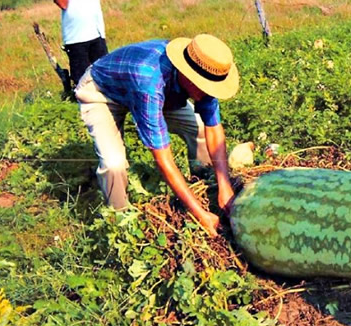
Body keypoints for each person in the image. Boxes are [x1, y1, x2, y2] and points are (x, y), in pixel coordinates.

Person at [74, 34, 238, 236]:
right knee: (113, 165)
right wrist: (198, 213)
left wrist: (224, 183)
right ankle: (122, 225)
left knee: (199, 132)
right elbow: (163, 159)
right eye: (205, 86)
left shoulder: (203, 69)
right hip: (103, 91)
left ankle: (205, 186)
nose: (209, 92)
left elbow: (213, 128)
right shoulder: (149, 82)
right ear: (188, 76)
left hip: (163, 92)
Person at [54, 0, 108, 86]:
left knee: (104, 74)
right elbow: (62, 4)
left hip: (96, 32)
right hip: (76, 38)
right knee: (81, 80)